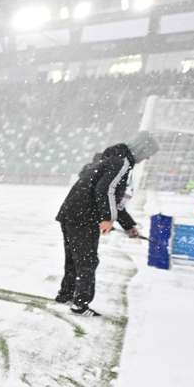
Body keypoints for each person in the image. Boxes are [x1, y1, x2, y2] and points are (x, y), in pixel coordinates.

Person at [54, 131, 160, 316]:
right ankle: (80, 305)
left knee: (74, 259)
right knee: (87, 261)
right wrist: (107, 219)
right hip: (83, 216)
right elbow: (106, 191)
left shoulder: (111, 159)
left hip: (72, 212)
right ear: (142, 149)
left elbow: (114, 200)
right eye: (148, 153)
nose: (148, 158)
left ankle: (66, 295)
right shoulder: (122, 162)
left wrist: (128, 226)